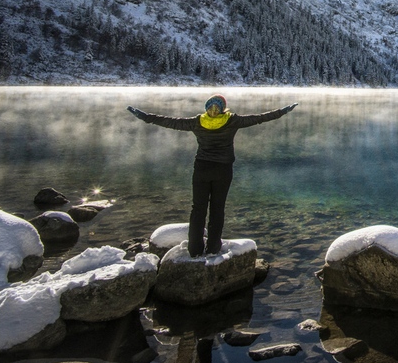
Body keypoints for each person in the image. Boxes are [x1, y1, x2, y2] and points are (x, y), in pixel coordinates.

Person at [127, 95, 297, 257]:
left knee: (198, 209)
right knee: (217, 208)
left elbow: (169, 122)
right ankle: (214, 248)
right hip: (223, 170)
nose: (214, 110)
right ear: (223, 109)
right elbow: (260, 118)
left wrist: (144, 116)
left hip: (202, 169)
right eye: (214, 107)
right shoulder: (231, 120)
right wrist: (283, 111)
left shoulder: (197, 122)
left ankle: (194, 249)